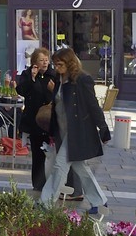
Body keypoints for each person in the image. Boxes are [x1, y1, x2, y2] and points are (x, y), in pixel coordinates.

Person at [42, 48, 112, 212]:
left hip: (77, 130)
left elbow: (93, 105)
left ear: (70, 63)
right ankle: (99, 201)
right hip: (63, 128)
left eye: (60, 64)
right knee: (80, 166)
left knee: (60, 165)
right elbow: (58, 105)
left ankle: (46, 202)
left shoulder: (82, 79)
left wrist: (103, 127)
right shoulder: (59, 79)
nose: (57, 67)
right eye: (55, 64)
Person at [15, 47, 58, 193]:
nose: (45, 63)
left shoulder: (53, 75)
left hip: (50, 119)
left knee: (53, 154)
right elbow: (21, 91)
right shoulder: (27, 74)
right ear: (34, 62)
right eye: (41, 60)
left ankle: (54, 183)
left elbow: (60, 95)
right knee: (37, 153)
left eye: (46, 60)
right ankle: (39, 184)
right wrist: (32, 79)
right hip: (34, 119)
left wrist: (53, 90)